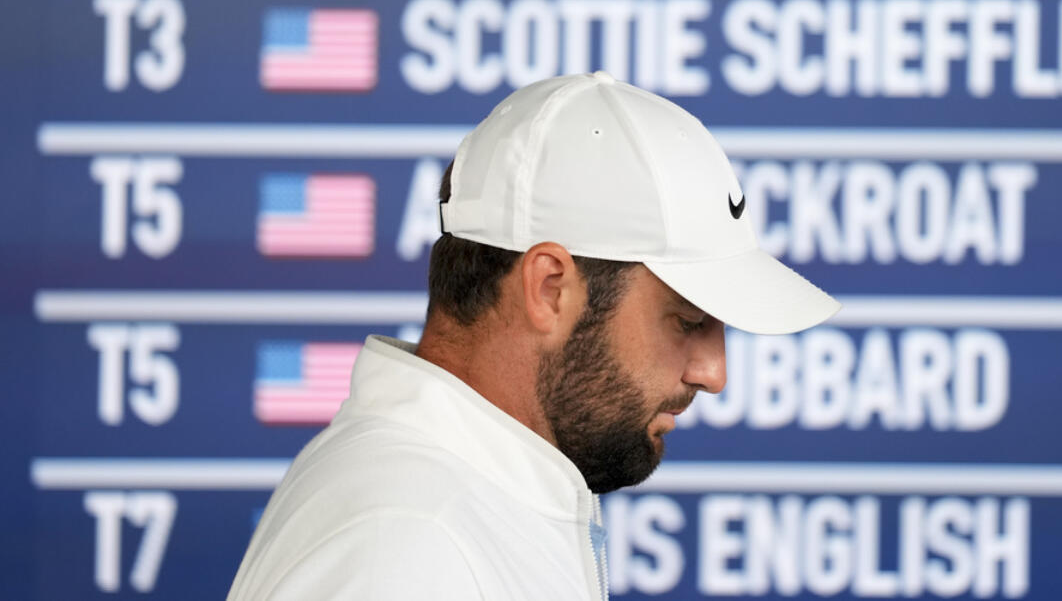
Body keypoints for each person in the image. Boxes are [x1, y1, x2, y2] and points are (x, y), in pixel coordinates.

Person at [226, 71, 840, 600]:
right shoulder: (410, 542)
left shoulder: (459, 501)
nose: (714, 373)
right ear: (549, 287)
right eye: (687, 320)